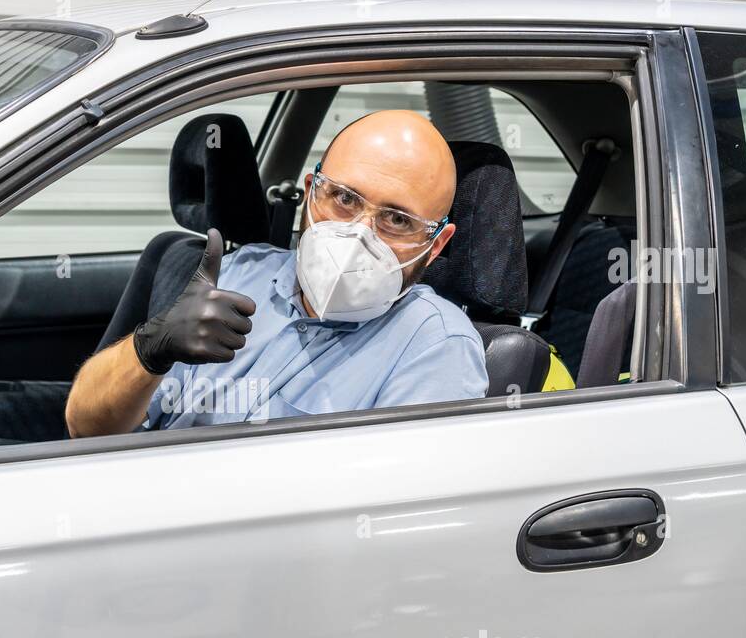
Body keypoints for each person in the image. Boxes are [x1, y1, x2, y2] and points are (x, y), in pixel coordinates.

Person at [64, 109, 488, 438]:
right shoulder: (237, 273)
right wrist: (148, 349)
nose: (359, 234)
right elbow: (86, 427)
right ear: (310, 193)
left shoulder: (435, 347)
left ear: (436, 245)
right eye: (343, 197)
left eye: (396, 220)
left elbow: (389, 524)